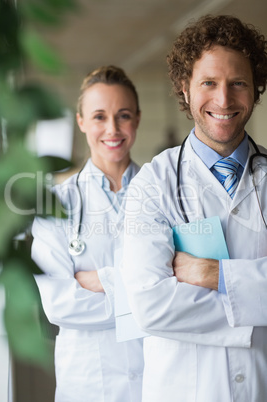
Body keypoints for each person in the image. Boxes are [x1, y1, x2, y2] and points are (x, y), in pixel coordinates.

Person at [122, 15, 267, 402]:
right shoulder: (152, 185)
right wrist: (255, 303)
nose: (223, 100)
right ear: (185, 90)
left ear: (256, 89)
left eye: (238, 83)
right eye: (209, 83)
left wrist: (214, 274)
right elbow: (149, 306)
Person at [31, 65, 144, 402]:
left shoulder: (165, 194)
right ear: (81, 121)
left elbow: (186, 288)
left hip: (159, 378)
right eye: (99, 116)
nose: (112, 129)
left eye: (123, 115)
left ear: (137, 119)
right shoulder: (56, 206)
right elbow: (59, 304)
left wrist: (99, 281)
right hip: (88, 385)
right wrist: (142, 293)